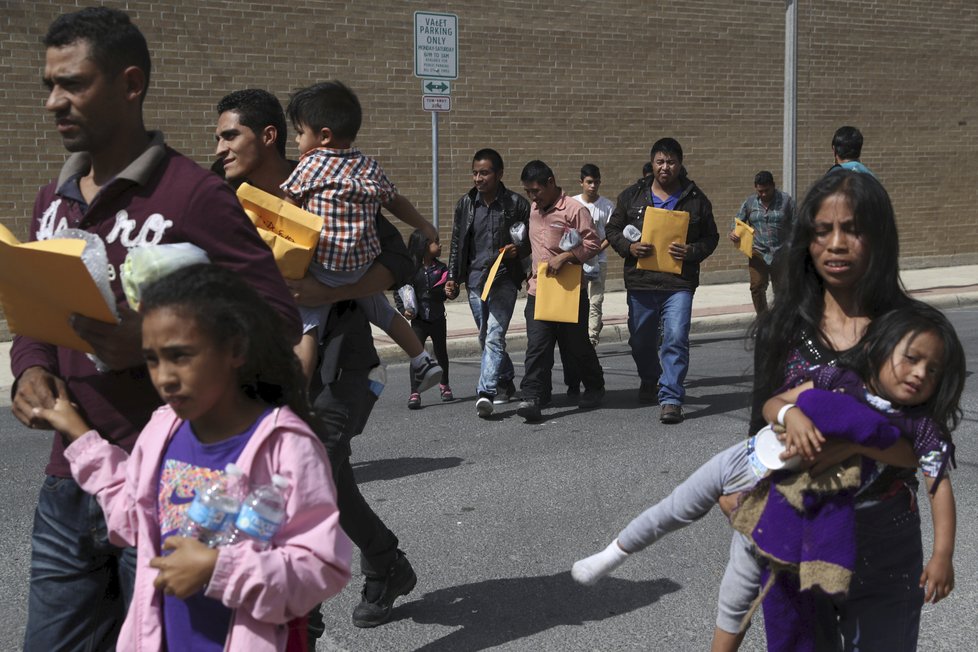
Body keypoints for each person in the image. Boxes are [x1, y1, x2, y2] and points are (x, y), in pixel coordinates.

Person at [11, 11, 300, 650]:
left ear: (130, 83)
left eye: (74, 84)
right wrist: (29, 366)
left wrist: (153, 343)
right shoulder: (50, 202)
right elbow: (36, 313)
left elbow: (275, 323)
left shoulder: (194, 195)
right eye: (48, 86)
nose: (55, 102)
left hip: (175, 486)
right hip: (71, 479)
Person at [572, 302, 963, 651]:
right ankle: (615, 552)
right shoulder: (839, 378)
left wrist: (942, 554)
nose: (919, 373)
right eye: (910, 358)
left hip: (780, 501)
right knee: (676, 505)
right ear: (880, 349)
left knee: (744, 590)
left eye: (932, 370)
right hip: (750, 458)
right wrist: (790, 415)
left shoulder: (917, 426)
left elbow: (938, 484)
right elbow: (774, 403)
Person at [33, 265, 352, 652]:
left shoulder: (286, 446)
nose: (164, 377)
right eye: (152, 360)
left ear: (235, 348)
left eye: (180, 356)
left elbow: (322, 566)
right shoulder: (163, 430)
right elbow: (132, 516)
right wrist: (78, 434)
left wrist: (219, 568)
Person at [213, 88, 419, 630]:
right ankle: (385, 563)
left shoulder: (329, 186)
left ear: (271, 137)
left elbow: (399, 259)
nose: (220, 148)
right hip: (262, 364)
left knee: (310, 470)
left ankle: (305, 609)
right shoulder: (224, 196)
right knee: (325, 476)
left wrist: (327, 294)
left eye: (230, 135)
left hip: (338, 363)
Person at [732, 169, 926, 651]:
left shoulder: (911, 332)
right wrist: (737, 494)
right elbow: (760, 431)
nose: (836, 243)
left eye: (853, 229)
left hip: (884, 535)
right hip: (798, 527)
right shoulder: (782, 329)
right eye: (822, 230)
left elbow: (925, 445)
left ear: (879, 238)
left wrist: (849, 442)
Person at [279, 80, 442, 392]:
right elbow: (396, 202)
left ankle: (297, 389)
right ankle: (422, 359)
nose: (297, 140)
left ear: (323, 135)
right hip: (361, 267)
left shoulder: (309, 165)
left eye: (300, 133)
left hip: (323, 267)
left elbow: (286, 213)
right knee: (383, 312)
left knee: (307, 325)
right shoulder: (369, 166)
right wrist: (424, 225)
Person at [605, 138, 719, 423]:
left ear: (680, 164)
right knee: (641, 341)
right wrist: (629, 248)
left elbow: (711, 237)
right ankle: (650, 377)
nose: (665, 167)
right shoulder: (632, 195)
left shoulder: (696, 199)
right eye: (660, 161)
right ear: (652, 163)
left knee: (676, 338)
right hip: (641, 281)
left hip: (678, 284)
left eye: (670, 161)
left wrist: (692, 251)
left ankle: (671, 398)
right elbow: (613, 229)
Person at [516, 160, 604, 423]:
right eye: (528, 192)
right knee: (537, 345)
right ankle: (533, 395)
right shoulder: (533, 210)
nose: (532, 197)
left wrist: (566, 256)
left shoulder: (574, 210)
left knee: (577, 345)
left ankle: (595, 385)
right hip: (538, 290)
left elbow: (593, 243)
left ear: (550, 183)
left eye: (536, 191)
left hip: (569, 290)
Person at [446, 148, 530, 418]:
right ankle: (506, 380)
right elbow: (458, 243)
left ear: (499, 174)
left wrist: (520, 251)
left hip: (504, 280)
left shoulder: (516, 204)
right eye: (475, 173)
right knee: (486, 336)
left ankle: (486, 392)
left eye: (484, 172)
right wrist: (452, 277)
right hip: (475, 280)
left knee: (494, 336)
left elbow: (530, 240)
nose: (478, 178)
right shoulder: (466, 204)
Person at [396, 229, 452, 409]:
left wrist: (451, 291)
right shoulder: (410, 269)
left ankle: (444, 385)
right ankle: (415, 391)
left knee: (441, 353)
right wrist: (404, 310)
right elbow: (400, 292)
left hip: (437, 318)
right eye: (436, 242)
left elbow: (448, 290)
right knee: (417, 355)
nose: (440, 245)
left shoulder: (442, 269)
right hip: (418, 321)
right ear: (424, 247)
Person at [728, 170, 795, 314]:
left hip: (781, 253)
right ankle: (763, 320)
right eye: (760, 191)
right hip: (758, 252)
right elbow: (738, 221)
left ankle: (780, 320)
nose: (763, 194)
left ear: (773, 186)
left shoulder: (786, 201)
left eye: (767, 190)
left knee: (782, 290)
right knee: (757, 287)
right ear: (755, 188)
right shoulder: (750, 202)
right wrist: (734, 232)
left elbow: (797, 224)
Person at [573, 163, 615, 346]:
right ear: (581, 182)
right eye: (589, 182)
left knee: (595, 300)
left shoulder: (607, 206)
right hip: (577, 260)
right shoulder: (572, 203)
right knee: (578, 300)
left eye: (596, 182)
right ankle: (580, 334)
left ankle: (591, 339)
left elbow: (611, 235)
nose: (593, 186)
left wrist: (597, 249)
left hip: (599, 260)